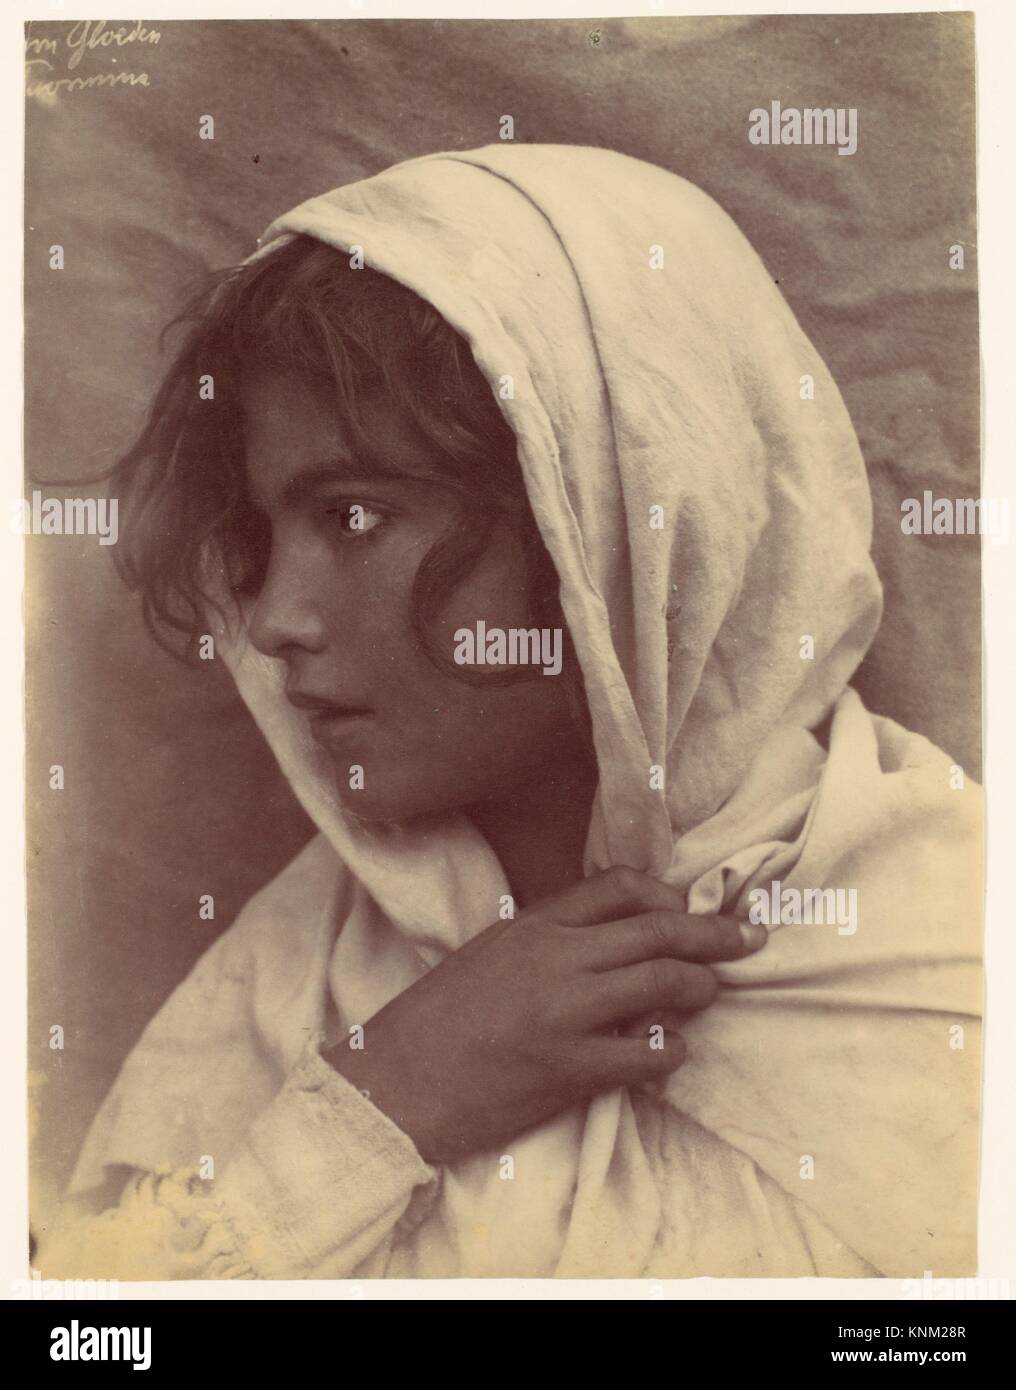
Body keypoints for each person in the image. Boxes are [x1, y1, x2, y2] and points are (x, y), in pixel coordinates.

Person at [35, 144, 981, 1280]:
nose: (276, 615)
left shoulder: (956, 950)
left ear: (608, 517)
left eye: (350, 517)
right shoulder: (293, 983)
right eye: (262, 533)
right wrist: (381, 1105)